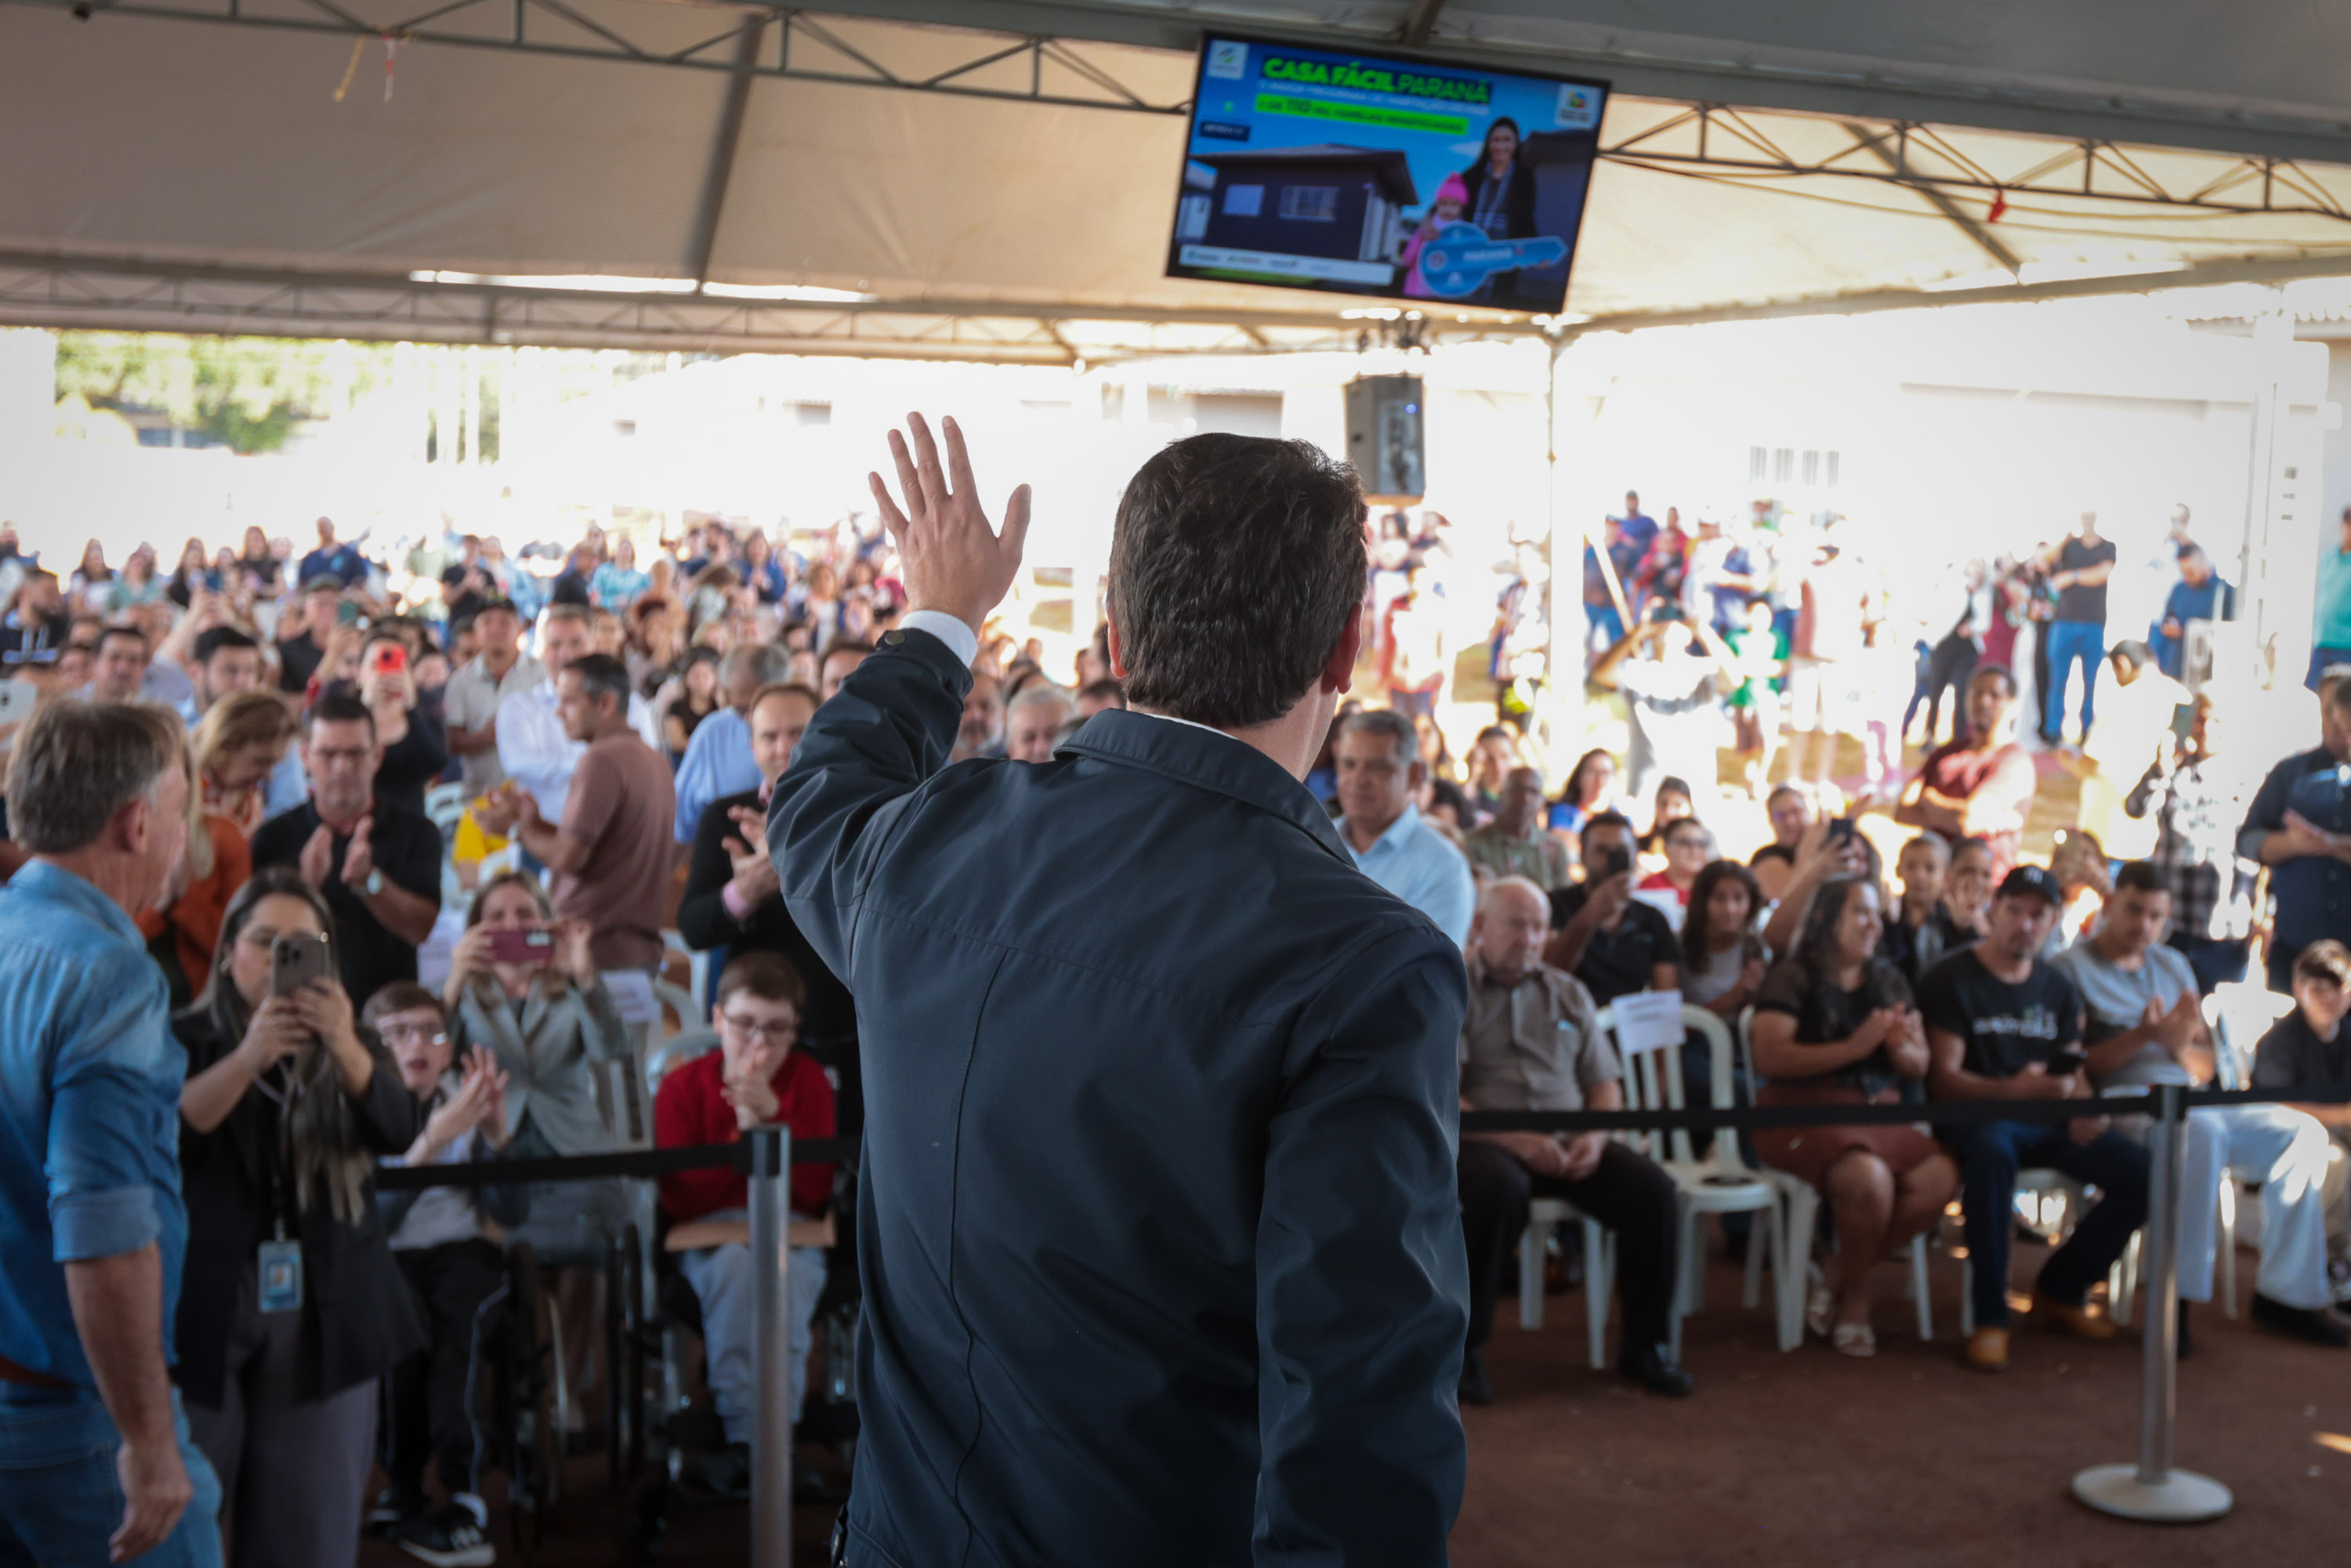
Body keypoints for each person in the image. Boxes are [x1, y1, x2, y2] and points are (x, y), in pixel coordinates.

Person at [770, 420, 1468, 1564]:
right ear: (1345, 651)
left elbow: (815, 801)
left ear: (1117, 632)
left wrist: (943, 613)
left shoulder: (927, 844)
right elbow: (1359, 1411)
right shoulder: (1364, 963)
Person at [0, 701, 223, 1567]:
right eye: (180, 809)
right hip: (78, 1420)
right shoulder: (108, 976)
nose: (182, 835)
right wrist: (147, 1439)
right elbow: (103, 1228)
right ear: (137, 823)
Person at [174, 870, 423, 1568]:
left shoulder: (354, 1041)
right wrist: (249, 1054)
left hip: (329, 1300)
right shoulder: (184, 1035)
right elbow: (168, 1132)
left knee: (309, 1528)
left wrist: (343, 1046)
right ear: (228, 952)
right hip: (204, 1304)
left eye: (303, 945)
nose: (282, 957)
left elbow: (401, 1128)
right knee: (188, 1521)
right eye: (265, 942)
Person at [2053, 863, 2345, 1348]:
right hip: (2123, 1100)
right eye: (2133, 910)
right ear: (2110, 905)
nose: (2143, 925)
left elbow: (2205, 1064)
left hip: (2191, 1094)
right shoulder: (2070, 968)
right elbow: (2074, 1067)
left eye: (2155, 916)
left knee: (2302, 1135)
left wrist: (2175, 1045)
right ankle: (2175, 1301)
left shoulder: (2171, 965)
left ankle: (2287, 1297)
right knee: (2202, 1132)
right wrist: (2145, 1035)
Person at [1454, 878, 1692, 1400]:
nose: (1530, 938)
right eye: (1517, 924)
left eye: (1539, 926)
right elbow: (1446, 1096)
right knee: (1494, 1189)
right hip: (1487, 1143)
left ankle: (1646, 1345)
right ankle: (1463, 1352)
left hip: (1568, 1140)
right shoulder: (1454, 989)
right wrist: (1516, 1141)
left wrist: (1596, 1135)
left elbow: (1604, 1084)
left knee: (1653, 1191)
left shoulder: (1568, 991)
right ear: (1480, 926)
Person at [1921, 866, 2151, 1372]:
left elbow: (2072, 1064)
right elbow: (1944, 1080)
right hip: (1974, 1118)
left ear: (2053, 921)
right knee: (1992, 1147)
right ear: (1994, 910)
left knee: (2144, 1173)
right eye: (2015, 911)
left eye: (2038, 914)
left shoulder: (2058, 987)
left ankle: (2060, 1291)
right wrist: (2011, 1090)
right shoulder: (1950, 978)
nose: (2025, 924)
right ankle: (1990, 1316)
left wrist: (2084, 1109)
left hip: (2045, 1119)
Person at [1751, 876, 1959, 1354]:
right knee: (1869, 1179)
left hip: (1875, 1110)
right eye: (1861, 912)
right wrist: (1853, 1048)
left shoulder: (1888, 979)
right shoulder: (1791, 974)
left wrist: (1902, 1050)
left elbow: (1919, 1064)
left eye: (1875, 913)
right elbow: (1770, 1058)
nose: (1874, 924)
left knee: (1941, 1176)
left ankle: (1840, 1275)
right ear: (1827, 919)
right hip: (1798, 1110)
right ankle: (1858, 1299)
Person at [654, 953, 836, 1490]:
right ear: (717, 1020)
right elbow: (682, 1196)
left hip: (791, 1224)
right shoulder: (682, 1086)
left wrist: (774, 1117)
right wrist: (743, 1132)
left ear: (795, 1029)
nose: (760, 1043)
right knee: (736, 1270)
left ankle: (776, 1437)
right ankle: (748, 1438)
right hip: (711, 1229)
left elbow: (814, 1189)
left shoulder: (809, 1082)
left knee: (784, 1278)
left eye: (778, 1029)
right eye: (745, 1025)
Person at [369, 983, 523, 1564]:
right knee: (400, 1343)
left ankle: (464, 1488)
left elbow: (511, 1215)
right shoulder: (363, 1107)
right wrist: (431, 1142)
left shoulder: (465, 1098)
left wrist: (495, 1135)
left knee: (456, 1334)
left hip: (461, 1250)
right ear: (375, 1046)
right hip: (388, 1256)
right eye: (400, 1032)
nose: (419, 1044)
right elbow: (374, 1224)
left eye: (432, 1031)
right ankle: (402, 1483)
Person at [443, 873, 631, 1266]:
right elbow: (436, 1062)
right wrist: (455, 979)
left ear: (545, 921)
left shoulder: (572, 985)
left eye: (525, 913)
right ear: (477, 927)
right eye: (496, 915)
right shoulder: (465, 991)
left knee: (586, 1261)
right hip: (495, 1150)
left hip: (571, 1147)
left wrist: (583, 975)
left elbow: (612, 1051)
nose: (511, 925)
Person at [676, 682, 853, 1041]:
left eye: (799, 733)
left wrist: (795, 869)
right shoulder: (726, 817)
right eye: (769, 736)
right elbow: (694, 930)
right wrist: (746, 891)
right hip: (754, 1024)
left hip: (842, 1023)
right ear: (752, 747)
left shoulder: (859, 811)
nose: (784, 749)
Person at [479, 654, 675, 974]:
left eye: (569, 702)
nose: (558, 712)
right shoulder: (651, 758)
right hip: (634, 948)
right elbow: (605, 844)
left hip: (597, 952)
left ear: (606, 704)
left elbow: (569, 858)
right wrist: (534, 821)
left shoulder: (601, 760)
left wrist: (515, 829)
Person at [249, 695, 444, 1006]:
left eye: (355, 754)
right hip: (297, 1004)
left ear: (377, 756)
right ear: (305, 757)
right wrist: (304, 889)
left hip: (386, 1012)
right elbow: (257, 944)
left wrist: (371, 885)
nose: (342, 767)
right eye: (328, 754)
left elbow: (420, 930)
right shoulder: (273, 837)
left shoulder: (417, 832)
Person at [2251, 940, 2351, 1308]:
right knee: (2336, 1162)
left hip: (2336, 1133)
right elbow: (2274, 1106)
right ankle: (2330, 1260)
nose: (2329, 999)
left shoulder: (2346, 1035)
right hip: (2286, 1141)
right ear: (2298, 989)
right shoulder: (2281, 1040)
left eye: (2338, 989)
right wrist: (2341, 1118)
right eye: (2318, 989)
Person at [493, 604, 660, 821]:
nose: (566, 653)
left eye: (576, 642)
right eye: (555, 644)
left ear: (594, 645)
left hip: (617, 834)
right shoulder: (519, 706)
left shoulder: (630, 704)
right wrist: (600, 765)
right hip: (545, 834)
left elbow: (641, 763)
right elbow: (518, 762)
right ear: (541, 652)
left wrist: (565, 766)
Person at [2238, 675, 2351, 992]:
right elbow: (2248, 841)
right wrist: (2289, 844)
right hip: (2295, 949)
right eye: (2329, 711)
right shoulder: (2290, 774)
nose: (2338, 722)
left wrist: (2332, 845)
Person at [1333, 708, 1477, 947]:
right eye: (1349, 764)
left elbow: (1425, 972)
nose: (1358, 779)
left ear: (1413, 775)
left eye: (1377, 767)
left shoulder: (1444, 869)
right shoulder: (1311, 841)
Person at [1896, 664, 2036, 875]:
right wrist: (1959, 814)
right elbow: (1903, 811)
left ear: (2013, 706)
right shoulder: (1946, 753)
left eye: (1994, 695)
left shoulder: (2014, 761)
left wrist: (1929, 799)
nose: (1983, 701)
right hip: (1937, 878)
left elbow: (1968, 822)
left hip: (1984, 882)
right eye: (1977, 693)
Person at [1591, 613, 1737, 810]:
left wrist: (1704, 633)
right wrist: (1636, 634)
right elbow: (1601, 673)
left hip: (1696, 780)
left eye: (1675, 619)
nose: (1668, 627)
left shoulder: (1705, 668)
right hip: (1646, 782)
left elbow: (1735, 678)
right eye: (1662, 620)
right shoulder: (1638, 671)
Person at [1545, 812, 1680, 1004]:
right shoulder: (1554, 905)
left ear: (1634, 858)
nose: (1611, 860)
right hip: (1568, 1016)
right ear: (1583, 856)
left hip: (1629, 1023)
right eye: (1601, 851)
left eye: (1621, 851)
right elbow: (1547, 973)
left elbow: (1665, 999)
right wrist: (1589, 916)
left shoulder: (1652, 919)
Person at [672, 643, 793, 845]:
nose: (748, 719)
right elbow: (682, 819)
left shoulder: (811, 728)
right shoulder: (712, 732)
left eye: (750, 708)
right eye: (739, 709)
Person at [442, 598, 540, 796]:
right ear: (477, 632)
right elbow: (452, 742)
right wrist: (485, 737)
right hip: (479, 795)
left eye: (505, 622)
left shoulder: (542, 674)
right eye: (487, 622)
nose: (496, 628)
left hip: (535, 795)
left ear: (520, 628)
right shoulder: (460, 681)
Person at [2042, 511, 2117, 745]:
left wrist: (2072, 576)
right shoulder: (2068, 546)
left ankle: (2088, 732)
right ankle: (2053, 731)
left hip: (2093, 623)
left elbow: (2103, 573)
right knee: (2057, 680)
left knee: (2091, 682)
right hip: (2064, 621)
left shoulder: (2107, 546)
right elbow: (2045, 562)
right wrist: (2062, 539)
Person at [194, 687, 300, 838]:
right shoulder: (183, 793)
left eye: (274, 765)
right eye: (261, 762)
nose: (269, 776)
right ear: (226, 744)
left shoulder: (248, 799)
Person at [1875, 831, 1968, 986]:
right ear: (1898, 870)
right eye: (1911, 866)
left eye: (1930, 869)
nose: (1919, 875)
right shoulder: (1884, 918)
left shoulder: (1954, 923)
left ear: (1946, 877)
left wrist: (1965, 929)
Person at [1681, 857, 1768, 1016]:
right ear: (1702, 902)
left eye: (1739, 898)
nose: (1730, 909)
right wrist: (1734, 996)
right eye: (1719, 898)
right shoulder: (1679, 947)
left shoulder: (1755, 947)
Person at [1464, 765, 1570, 889]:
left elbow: (1563, 900)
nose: (1525, 799)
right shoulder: (1472, 844)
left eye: (1534, 792)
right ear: (1502, 794)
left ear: (1542, 801)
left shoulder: (1555, 849)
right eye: (1517, 790)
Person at [2151, 544, 2232, 682]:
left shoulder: (2222, 592)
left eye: (2190, 571)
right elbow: (2168, 618)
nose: (2186, 577)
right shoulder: (2179, 589)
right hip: (2173, 669)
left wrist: (2185, 632)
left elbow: (2226, 635)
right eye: (2183, 572)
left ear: (2203, 562)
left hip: (2204, 673)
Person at [1380, 567, 1447, 720]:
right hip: (1398, 678)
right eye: (1416, 579)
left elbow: (1444, 648)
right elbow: (1387, 644)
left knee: (1422, 726)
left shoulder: (1438, 608)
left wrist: (1442, 684)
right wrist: (1383, 677)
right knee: (1399, 726)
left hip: (1426, 679)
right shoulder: (1397, 606)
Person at [2309, 506, 2351, 690]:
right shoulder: (2328, 558)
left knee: (2341, 698)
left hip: (2346, 645)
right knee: (2314, 690)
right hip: (2322, 641)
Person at [276, 580, 342, 695]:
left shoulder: (354, 647)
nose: (328, 610)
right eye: (320, 604)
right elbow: (287, 698)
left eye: (334, 604)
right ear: (305, 608)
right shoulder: (290, 649)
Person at [1546, 746, 1621, 838]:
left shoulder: (1620, 821)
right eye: (1592, 772)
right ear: (1579, 778)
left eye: (1605, 773)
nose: (1599, 780)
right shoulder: (1561, 813)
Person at [952, 670, 1005, 761]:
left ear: (1005, 714)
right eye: (964, 707)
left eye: (985, 707)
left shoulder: (1019, 767)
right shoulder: (928, 767)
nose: (974, 716)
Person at [589, 537, 650, 610]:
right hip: (606, 616)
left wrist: (631, 601)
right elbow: (594, 598)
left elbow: (648, 596)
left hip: (631, 615)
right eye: (621, 547)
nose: (625, 550)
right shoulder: (603, 572)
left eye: (628, 548)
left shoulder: (640, 578)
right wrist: (613, 602)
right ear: (615, 552)